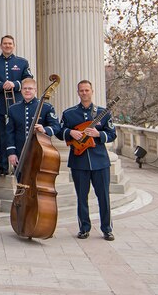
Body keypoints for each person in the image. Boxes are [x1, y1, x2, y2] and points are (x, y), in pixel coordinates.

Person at [57, 80, 116, 241]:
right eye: (81, 91)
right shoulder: (69, 113)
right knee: (81, 197)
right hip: (79, 161)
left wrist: (98, 135)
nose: (84, 93)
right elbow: (59, 131)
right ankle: (84, 228)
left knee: (103, 196)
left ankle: (107, 229)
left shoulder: (103, 112)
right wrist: (70, 133)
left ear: (92, 91)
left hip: (100, 161)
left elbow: (112, 134)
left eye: (87, 90)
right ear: (78, 92)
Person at [0, 35, 33, 176]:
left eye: (10, 44)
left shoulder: (22, 62)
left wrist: (15, 84)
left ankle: (19, 163)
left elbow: (28, 79)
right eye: (5, 44)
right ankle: (3, 167)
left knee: (17, 134)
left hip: (17, 104)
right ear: (1, 46)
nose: (7, 46)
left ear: (14, 45)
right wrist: (1, 85)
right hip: (0, 105)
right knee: (2, 135)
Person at [6, 78, 60, 171]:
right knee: (21, 182)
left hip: (40, 151)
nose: (27, 90)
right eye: (25, 88)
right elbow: (9, 132)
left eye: (30, 88)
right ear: (21, 90)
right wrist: (11, 152)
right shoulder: (13, 109)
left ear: (35, 90)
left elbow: (56, 127)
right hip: (20, 152)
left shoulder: (46, 107)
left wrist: (45, 130)